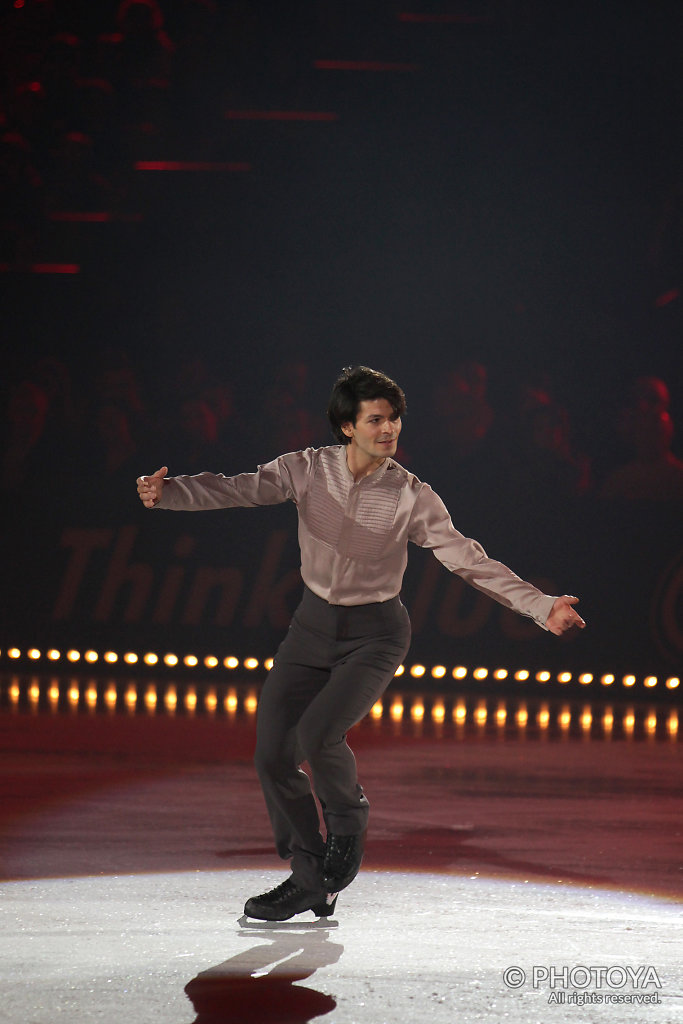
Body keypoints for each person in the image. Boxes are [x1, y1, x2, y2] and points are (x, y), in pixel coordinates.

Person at [136, 365, 586, 922]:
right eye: (376, 419)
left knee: (319, 734)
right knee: (273, 754)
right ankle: (309, 879)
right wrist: (170, 493)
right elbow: (239, 487)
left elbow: (467, 558)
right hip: (310, 628)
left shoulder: (411, 495)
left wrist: (542, 607)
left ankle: (345, 829)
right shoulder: (304, 469)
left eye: (394, 420)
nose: (389, 429)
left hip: (375, 635)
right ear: (346, 426)